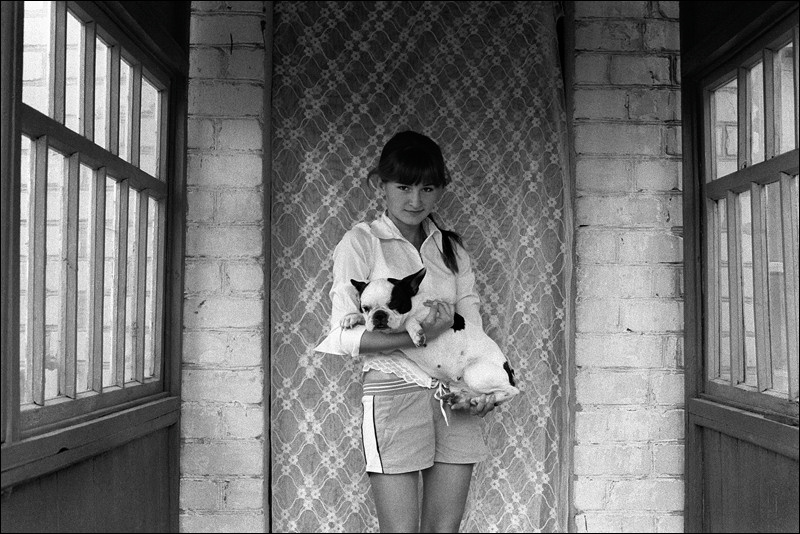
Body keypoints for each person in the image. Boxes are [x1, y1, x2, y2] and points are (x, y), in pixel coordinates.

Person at [314, 130, 499, 533]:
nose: (415, 201)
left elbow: (473, 326)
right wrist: (420, 334)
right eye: (403, 187)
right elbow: (342, 336)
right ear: (380, 185)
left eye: (427, 188)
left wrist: (484, 387)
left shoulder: (452, 248)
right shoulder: (361, 242)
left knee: (443, 530)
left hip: (455, 392)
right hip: (394, 390)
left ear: (440, 189)